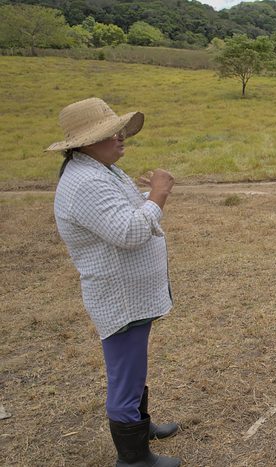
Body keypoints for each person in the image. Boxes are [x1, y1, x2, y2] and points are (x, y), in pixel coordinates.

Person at [48, 98, 181, 467]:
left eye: (119, 130)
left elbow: (121, 211)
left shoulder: (99, 170)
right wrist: (159, 194)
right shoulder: (87, 181)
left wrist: (147, 196)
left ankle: (141, 425)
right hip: (120, 299)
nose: (121, 137)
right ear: (86, 141)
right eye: (111, 132)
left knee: (133, 366)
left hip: (129, 295)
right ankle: (133, 457)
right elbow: (129, 231)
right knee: (125, 374)